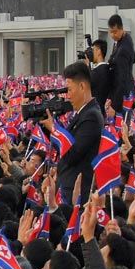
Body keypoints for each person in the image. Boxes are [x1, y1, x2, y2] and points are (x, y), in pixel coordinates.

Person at [46, 60, 105, 205]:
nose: (68, 95)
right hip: (67, 186)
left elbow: (73, 154)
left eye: (70, 90)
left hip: (77, 192)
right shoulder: (82, 113)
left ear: (82, 86)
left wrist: (53, 129)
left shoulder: (91, 116)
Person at [108, 13, 135, 112]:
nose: (113, 35)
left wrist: (114, 106)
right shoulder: (126, 38)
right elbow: (134, 59)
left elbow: (122, 80)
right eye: (111, 32)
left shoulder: (123, 50)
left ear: (121, 28)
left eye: (115, 32)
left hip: (124, 98)